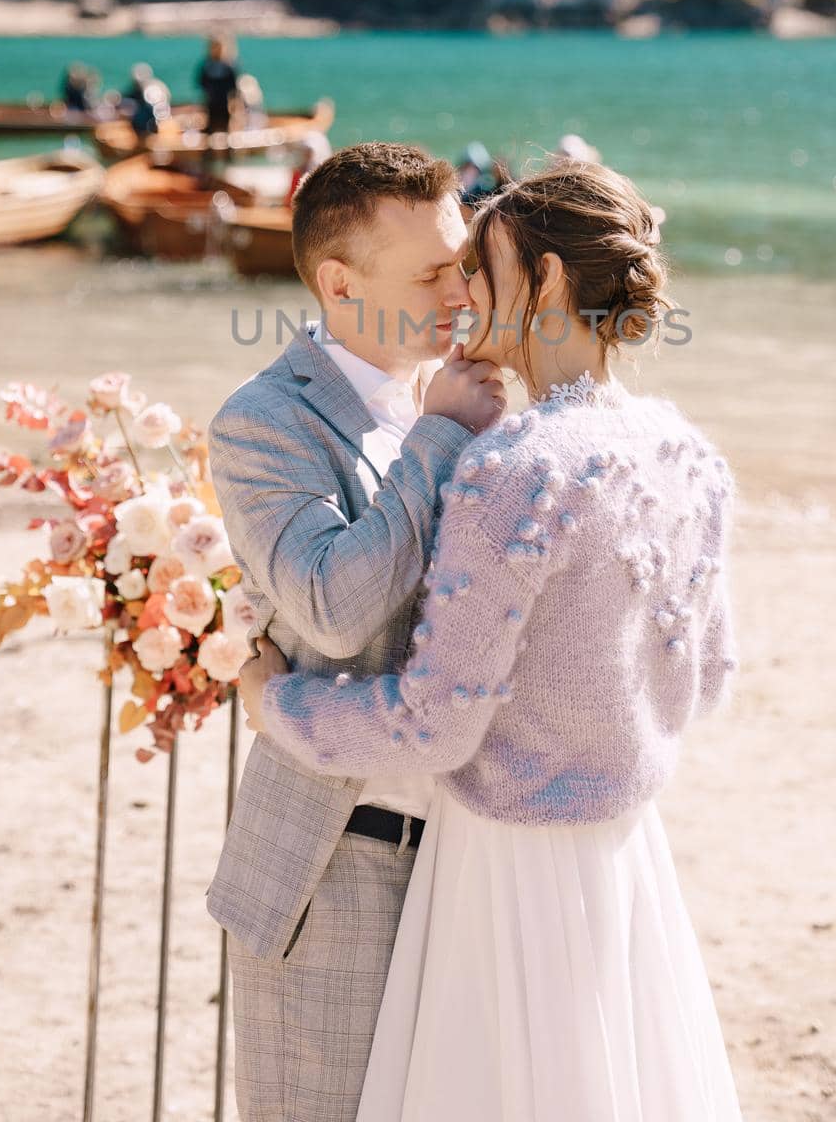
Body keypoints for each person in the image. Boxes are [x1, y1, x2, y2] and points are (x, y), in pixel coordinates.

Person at [238, 158, 746, 1122]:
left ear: (546, 282)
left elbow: (433, 729)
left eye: (481, 266)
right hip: (624, 856)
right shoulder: (692, 456)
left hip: (506, 862)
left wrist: (276, 702)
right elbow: (706, 678)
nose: (464, 288)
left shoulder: (515, 465)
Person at [205, 142, 506, 1122]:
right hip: (336, 865)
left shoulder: (464, 401)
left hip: (470, 866)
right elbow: (332, 611)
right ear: (339, 282)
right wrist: (440, 439)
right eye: (431, 271)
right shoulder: (263, 422)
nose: (461, 286)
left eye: (461, 259)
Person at [195, 32, 241, 135]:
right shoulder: (207, 66)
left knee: (226, 127)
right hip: (211, 102)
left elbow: (233, 87)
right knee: (210, 127)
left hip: (224, 102)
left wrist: (234, 102)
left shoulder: (228, 66)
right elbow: (201, 83)